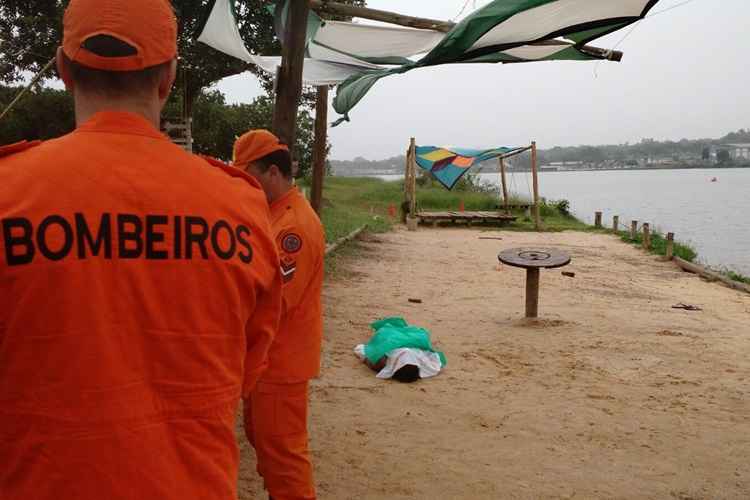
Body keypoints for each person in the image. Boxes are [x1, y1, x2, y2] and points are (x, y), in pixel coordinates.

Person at [0, 1, 282, 499]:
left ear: (64, 70)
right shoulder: (240, 207)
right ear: (168, 77)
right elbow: (248, 365)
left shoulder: (10, 189)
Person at [233, 130, 326, 500]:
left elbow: (276, 301)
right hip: (264, 359)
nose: (244, 183)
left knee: (284, 455)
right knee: (264, 441)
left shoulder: (294, 227)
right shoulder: (271, 213)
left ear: (272, 172)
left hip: (281, 362)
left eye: (248, 175)